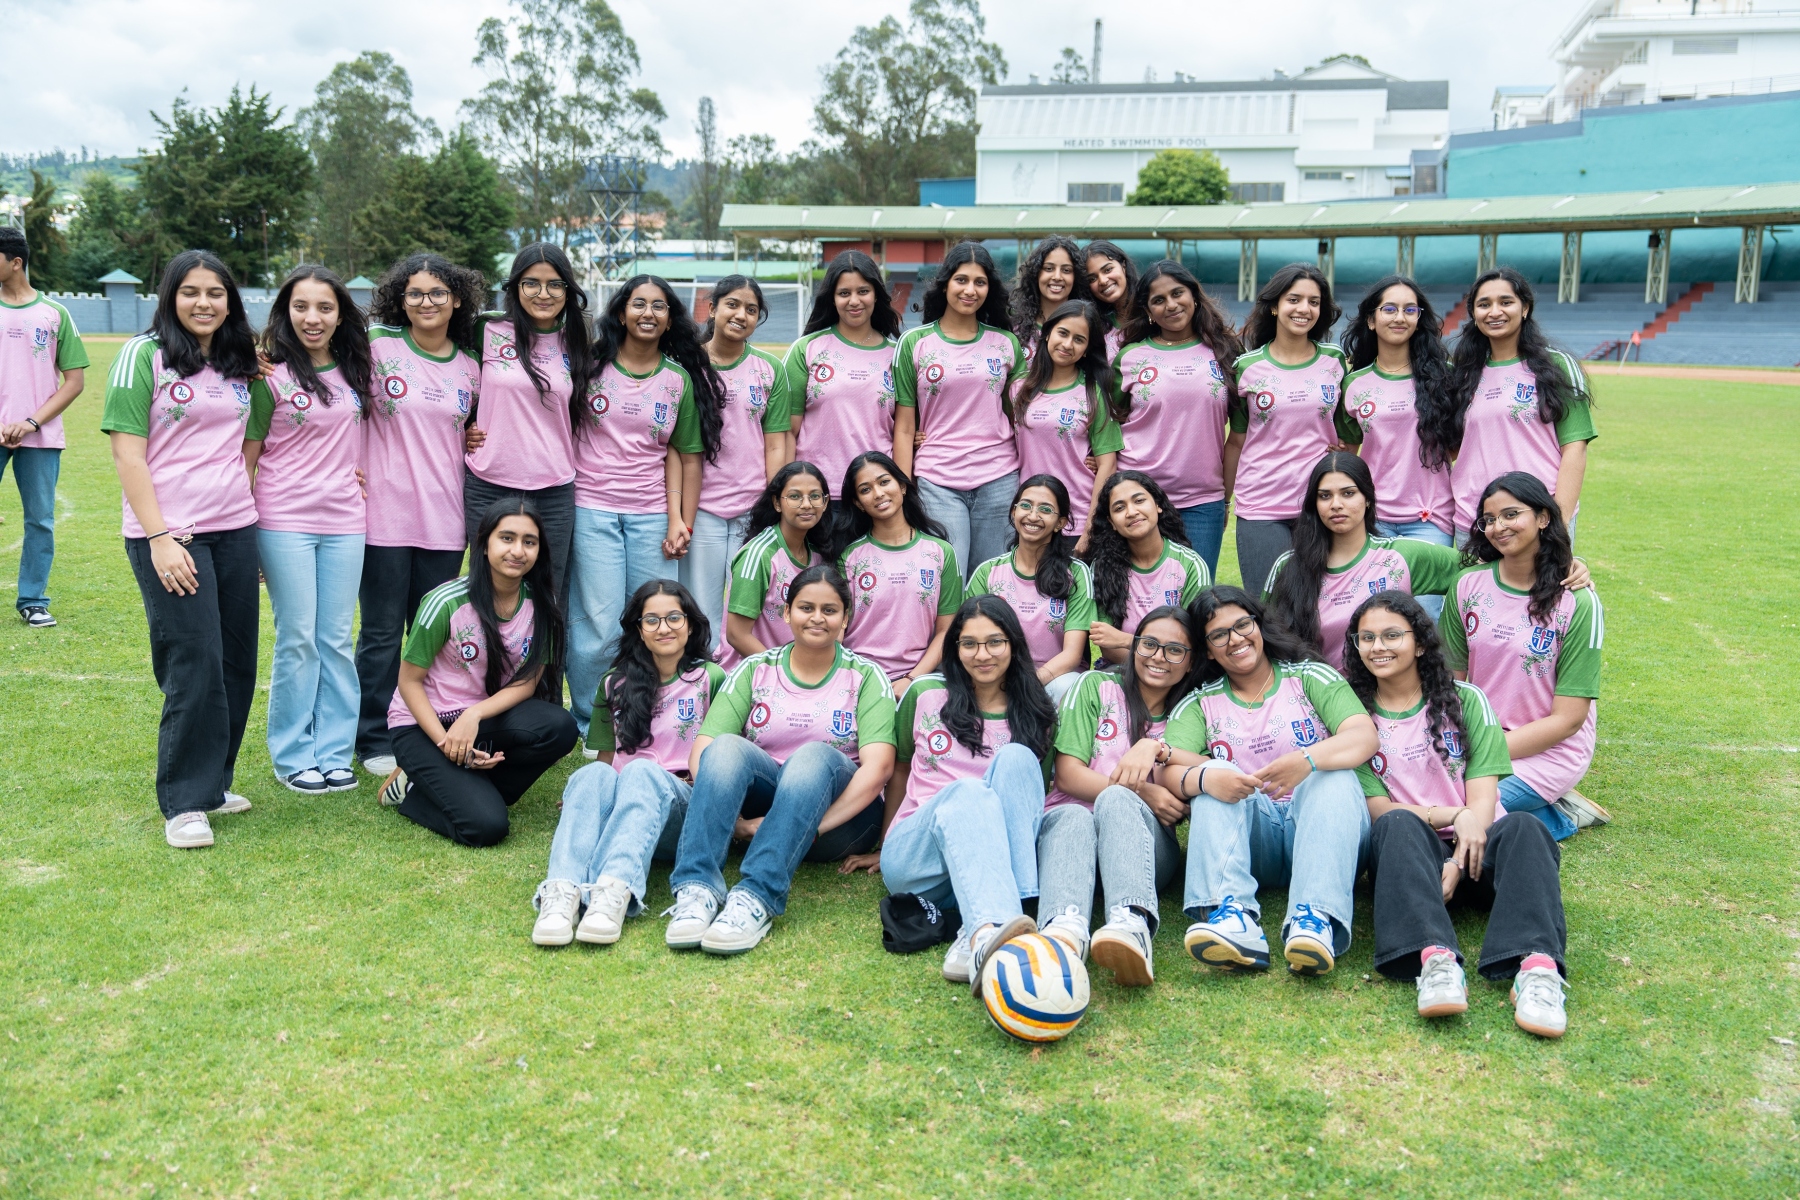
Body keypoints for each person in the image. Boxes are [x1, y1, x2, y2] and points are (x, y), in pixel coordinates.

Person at [102, 250, 275, 848]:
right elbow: (127, 453)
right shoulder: (142, 355)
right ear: (170, 297)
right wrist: (159, 537)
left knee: (236, 662)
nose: (204, 303)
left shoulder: (239, 362)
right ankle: (185, 802)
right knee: (194, 660)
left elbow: (256, 444)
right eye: (191, 292)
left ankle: (215, 783)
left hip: (236, 528)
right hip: (171, 534)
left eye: (216, 293)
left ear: (231, 301)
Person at [1344, 591, 1571, 1038]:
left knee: (1525, 826)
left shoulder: (1467, 700)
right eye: (1366, 638)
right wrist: (1451, 815)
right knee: (1395, 825)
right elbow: (1378, 809)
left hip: (1478, 847)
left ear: (1420, 643)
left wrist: (1457, 860)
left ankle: (1538, 971)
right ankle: (1437, 963)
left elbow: (1483, 800)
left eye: (1392, 635)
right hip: (1411, 855)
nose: (1378, 647)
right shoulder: (1353, 717)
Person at [664, 565, 897, 956]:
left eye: (830, 610)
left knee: (812, 755)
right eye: (806, 607)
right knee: (724, 747)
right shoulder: (756, 669)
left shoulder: (867, 677)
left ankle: (756, 897)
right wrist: (735, 821)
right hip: (767, 803)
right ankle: (696, 891)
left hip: (840, 822)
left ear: (845, 619)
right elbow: (702, 750)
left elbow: (878, 771)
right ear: (787, 613)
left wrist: (802, 827)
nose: (817, 618)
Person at [1159, 586, 1377, 977]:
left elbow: (1363, 736)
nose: (1235, 639)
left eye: (1242, 625)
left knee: (1334, 776)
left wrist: (1308, 760)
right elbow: (1168, 769)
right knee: (1212, 778)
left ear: (1258, 625)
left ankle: (1314, 920)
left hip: (1324, 832)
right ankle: (1232, 917)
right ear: (1208, 651)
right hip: (1252, 836)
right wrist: (1208, 778)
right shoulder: (1199, 703)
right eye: (1219, 635)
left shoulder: (1308, 675)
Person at [849, 595, 1058, 990]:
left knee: (1018, 759)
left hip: (993, 864)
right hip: (920, 857)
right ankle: (994, 926)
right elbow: (900, 770)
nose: (983, 655)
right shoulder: (927, 695)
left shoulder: (1038, 713)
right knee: (968, 792)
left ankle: (987, 927)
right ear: (955, 648)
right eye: (969, 644)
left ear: (1014, 645)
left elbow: (1028, 804)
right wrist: (886, 841)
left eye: (995, 642)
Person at [565, 275, 719, 737]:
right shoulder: (590, 366)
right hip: (592, 508)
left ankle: (646, 713)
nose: (648, 313)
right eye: (638, 304)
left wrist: (681, 522)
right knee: (599, 624)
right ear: (620, 312)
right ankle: (591, 720)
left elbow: (687, 456)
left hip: (652, 515)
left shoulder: (677, 380)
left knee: (654, 621)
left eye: (659, 306)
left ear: (670, 319)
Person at [532, 580, 726, 947]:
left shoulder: (710, 678)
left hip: (682, 807)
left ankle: (613, 893)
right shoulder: (614, 683)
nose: (664, 627)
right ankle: (561, 893)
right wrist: (587, 799)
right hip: (626, 808)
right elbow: (607, 762)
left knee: (641, 771)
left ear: (690, 624)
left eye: (674, 617)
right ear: (638, 629)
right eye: (651, 620)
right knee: (591, 774)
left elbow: (725, 760)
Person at [380, 498, 579, 847]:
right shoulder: (446, 602)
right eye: (507, 538)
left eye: (529, 542)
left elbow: (528, 682)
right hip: (422, 723)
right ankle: (414, 788)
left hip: (481, 719)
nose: (517, 551)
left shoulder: (541, 603)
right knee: (486, 827)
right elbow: (409, 682)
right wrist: (445, 743)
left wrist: (473, 715)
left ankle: (456, 786)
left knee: (560, 728)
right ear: (485, 544)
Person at [355, 253, 487, 777]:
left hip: (445, 520)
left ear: (457, 300)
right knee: (382, 633)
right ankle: (373, 737)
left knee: (429, 635)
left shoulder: (472, 366)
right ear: (400, 300)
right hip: (382, 515)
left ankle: (418, 726)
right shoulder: (375, 345)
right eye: (415, 293)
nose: (426, 302)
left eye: (437, 293)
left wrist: (473, 436)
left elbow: (476, 429)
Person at [246, 265, 373, 794]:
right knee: (298, 637)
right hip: (283, 521)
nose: (312, 317)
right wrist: (244, 535)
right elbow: (247, 458)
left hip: (346, 520)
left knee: (336, 638)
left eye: (324, 307)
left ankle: (336, 751)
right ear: (286, 312)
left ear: (340, 315)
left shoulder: (357, 370)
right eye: (301, 306)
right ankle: (294, 754)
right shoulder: (267, 375)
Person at [1037, 606, 1202, 986]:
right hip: (1069, 829)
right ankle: (1063, 931)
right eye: (1149, 644)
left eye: (1175, 650)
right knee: (1077, 815)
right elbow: (1068, 775)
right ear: (1134, 646)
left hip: (1144, 849)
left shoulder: (1191, 710)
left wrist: (1156, 748)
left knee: (1116, 801)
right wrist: (1143, 790)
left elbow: (1209, 766)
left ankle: (1131, 923)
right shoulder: (1095, 686)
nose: (1159, 657)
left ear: (1191, 662)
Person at [1440, 471, 1606, 842]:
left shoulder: (1578, 602)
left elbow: (1568, 720)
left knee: (1460, 820)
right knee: (1424, 802)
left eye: (1511, 514)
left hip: (1549, 752)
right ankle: (1544, 810)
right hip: (1479, 739)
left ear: (1543, 517)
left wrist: (1481, 751)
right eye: (1488, 520)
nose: (1498, 527)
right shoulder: (1467, 585)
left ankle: (1561, 814)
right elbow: (1451, 682)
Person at [462, 243, 590, 604]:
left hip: (554, 489)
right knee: (487, 590)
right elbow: (457, 381)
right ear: (515, 287)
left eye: (555, 285)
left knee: (548, 596)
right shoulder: (486, 329)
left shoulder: (577, 341)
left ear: (568, 290)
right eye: (531, 283)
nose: (543, 294)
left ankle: (545, 648)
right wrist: (466, 426)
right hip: (489, 484)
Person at [1430, 267, 1596, 541]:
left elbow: (1575, 448)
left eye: (1506, 302)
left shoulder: (1556, 366)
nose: (1495, 312)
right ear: (1474, 314)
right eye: (1484, 304)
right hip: (1474, 519)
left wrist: (1559, 520)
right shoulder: (1462, 373)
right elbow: (1451, 447)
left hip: (1536, 517)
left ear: (1525, 308)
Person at [893, 241, 1026, 575]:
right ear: (945, 284)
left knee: (992, 579)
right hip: (937, 480)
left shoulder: (1006, 343)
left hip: (999, 479)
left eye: (980, 282)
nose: (970, 290)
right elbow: (905, 426)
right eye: (961, 280)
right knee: (948, 580)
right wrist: (904, 488)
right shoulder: (915, 343)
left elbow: (1022, 418)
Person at [1113, 259, 1243, 576]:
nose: (1171, 305)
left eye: (1177, 293)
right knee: (1139, 593)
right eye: (1158, 300)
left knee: (1196, 597)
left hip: (1203, 503)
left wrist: (1224, 499)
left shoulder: (1225, 352)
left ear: (1194, 296)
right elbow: (1108, 425)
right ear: (1148, 311)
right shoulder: (1130, 358)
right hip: (1137, 499)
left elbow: (1238, 435)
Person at [683, 276, 791, 639]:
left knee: (746, 605)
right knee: (701, 606)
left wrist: (773, 504)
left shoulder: (769, 369)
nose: (741, 315)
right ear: (712, 309)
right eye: (732, 304)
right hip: (701, 508)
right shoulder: (686, 365)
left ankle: (742, 670)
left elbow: (775, 443)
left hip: (751, 507)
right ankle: (704, 669)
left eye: (751, 309)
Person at [1335, 275, 1456, 600]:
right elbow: (1347, 452)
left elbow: (1459, 447)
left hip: (1429, 519)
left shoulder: (1444, 377)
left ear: (1418, 319)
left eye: (1409, 310)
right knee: (1373, 613)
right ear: (1371, 320)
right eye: (1389, 309)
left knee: (1427, 614)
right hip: (1372, 518)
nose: (1400, 317)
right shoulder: (1354, 384)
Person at [1231, 263, 1347, 595]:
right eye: (1294, 299)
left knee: (1323, 604)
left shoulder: (1335, 361)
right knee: (1269, 607)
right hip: (1261, 503)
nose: (1304, 309)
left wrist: (1341, 457)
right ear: (1274, 306)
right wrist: (1223, 502)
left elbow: (1347, 432)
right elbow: (1236, 440)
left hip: (1320, 504)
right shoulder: (1247, 367)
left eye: (1314, 302)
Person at [0, 225, 87, 629]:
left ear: (15, 262)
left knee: (40, 520)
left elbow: (74, 381)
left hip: (40, 436)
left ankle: (33, 601)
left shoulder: (55, 314)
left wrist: (31, 421)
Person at [837, 452, 964, 692]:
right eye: (865, 490)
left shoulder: (941, 552)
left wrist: (911, 679)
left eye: (884, 482)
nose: (878, 493)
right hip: (859, 678)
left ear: (903, 486)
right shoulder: (849, 557)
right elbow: (837, 630)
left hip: (920, 679)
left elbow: (947, 631)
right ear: (858, 503)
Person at [783, 250, 900, 508]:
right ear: (832, 298)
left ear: (876, 294)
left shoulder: (898, 355)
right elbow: (788, 431)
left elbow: (906, 428)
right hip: (816, 495)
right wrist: (789, 490)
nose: (854, 301)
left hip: (876, 496)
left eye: (863, 291)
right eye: (844, 293)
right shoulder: (806, 349)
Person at [967, 475, 1095, 704]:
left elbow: (1072, 654)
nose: (1033, 516)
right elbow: (972, 639)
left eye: (1045, 509)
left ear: (1060, 523)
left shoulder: (1076, 573)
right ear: (1013, 512)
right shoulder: (988, 572)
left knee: (1068, 686)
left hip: (1054, 679)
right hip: (998, 679)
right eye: (1025, 506)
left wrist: (1028, 684)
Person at [1010, 299, 1122, 541]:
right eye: (1063, 333)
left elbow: (1107, 465)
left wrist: (1090, 529)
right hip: (1030, 517)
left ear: (1087, 349)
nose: (1068, 344)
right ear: (1047, 333)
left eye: (1079, 339)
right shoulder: (1018, 388)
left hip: (1076, 519)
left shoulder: (1093, 393)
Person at [1081, 470, 1209, 665]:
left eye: (1139, 501)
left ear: (1157, 505)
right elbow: (1108, 645)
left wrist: (1127, 640)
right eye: (1119, 508)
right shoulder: (1102, 568)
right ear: (1111, 522)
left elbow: (1194, 643)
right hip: (1123, 670)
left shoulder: (1190, 565)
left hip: (1178, 672)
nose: (1132, 512)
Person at [718, 461, 831, 668]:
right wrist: (786, 671)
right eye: (795, 497)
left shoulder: (817, 554)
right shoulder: (758, 555)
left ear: (825, 503)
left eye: (815, 496)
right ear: (777, 503)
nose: (807, 504)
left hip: (796, 668)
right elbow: (736, 635)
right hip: (753, 670)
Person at [1009, 235, 1090, 353]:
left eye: (1066, 270)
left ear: (1076, 277)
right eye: (1049, 269)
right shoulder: (1013, 329)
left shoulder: (1088, 327)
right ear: (1036, 274)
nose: (1057, 277)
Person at [1081, 240, 1139, 360]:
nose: (1102, 281)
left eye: (1108, 270)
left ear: (1123, 266)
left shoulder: (1152, 312)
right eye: (1092, 279)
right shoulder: (1094, 327)